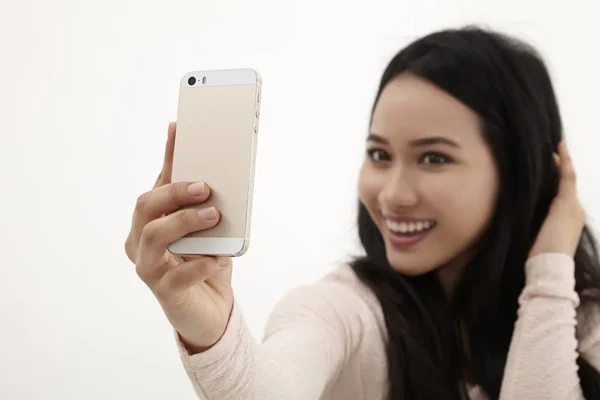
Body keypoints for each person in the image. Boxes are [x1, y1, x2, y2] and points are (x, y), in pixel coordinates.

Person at [124, 25, 600, 399]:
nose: (391, 195)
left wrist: (549, 276)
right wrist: (209, 330)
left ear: (521, 171)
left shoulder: (583, 320)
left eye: (433, 157)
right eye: (379, 154)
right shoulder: (347, 311)